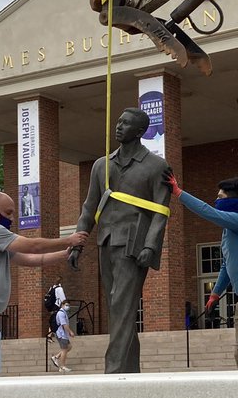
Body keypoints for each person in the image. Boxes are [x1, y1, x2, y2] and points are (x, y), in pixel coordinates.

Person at [71, 107, 172, 374]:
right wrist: (78, 243)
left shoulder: (156, 166)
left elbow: (161, 210)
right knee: (119, 310)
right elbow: (89, 207)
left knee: (121, 305)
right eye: (118, 122)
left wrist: (151, 245)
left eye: (126, 124)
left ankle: (113, 372)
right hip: (106, 241)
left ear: (140, 131)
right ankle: (130, 371)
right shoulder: (101, 165)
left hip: (135, 244)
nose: (118, 126)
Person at [0, 191, 87, 378]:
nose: (12, 218)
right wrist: (68, 240)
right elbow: (33, 246)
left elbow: (30, 259)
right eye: (8, 213)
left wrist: (64, 254)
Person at [165, 172, 238, 370]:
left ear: (233, 199)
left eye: (220, 197)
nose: (216, 200)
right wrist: (216, 293)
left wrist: (178, 193)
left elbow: (209, 212)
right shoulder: (228, 232)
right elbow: (226, 265)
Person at [51, 299, 74, 373]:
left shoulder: (64, 313)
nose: (68, 306)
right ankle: (62, 367)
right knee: (64, 350)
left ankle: (56, 357)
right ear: (62, 305)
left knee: (69, 347)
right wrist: (70, 331)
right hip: (61, 334)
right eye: (66, 305)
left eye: (68, 305)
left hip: (64, 334)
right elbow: (64, 324)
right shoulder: (61, 313)